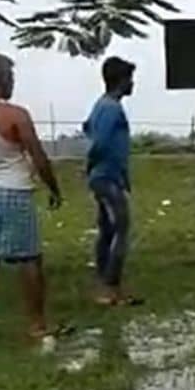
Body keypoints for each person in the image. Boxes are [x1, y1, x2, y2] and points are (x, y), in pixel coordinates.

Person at [0, 53, 63, 342]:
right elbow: (38, 156)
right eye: (11, 75)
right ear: (3, 77)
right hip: (15, 192)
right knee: (29, 259)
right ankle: (36, 324)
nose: (13, 81)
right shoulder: (15, 114)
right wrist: (54, 188)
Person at [84, 56, 138, 308]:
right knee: (121, 229)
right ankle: (110, 287)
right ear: (121, 81)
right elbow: (100, 142)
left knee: (107, 229)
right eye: (130, 78)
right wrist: (92, 164)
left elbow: (88, 128)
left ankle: (104, 285)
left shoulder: (103, 105)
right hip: (105, 177)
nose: (133, 84)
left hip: (109, 175)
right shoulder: (110, 108)